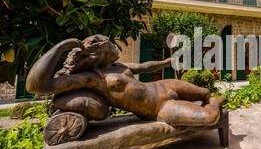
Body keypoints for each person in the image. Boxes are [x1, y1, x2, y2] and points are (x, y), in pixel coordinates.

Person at [26, 35, 226, 128]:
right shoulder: (92, 78)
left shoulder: (118, 66)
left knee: (204, 92)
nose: (114, 48)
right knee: (209, 117)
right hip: (158, 107)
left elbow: (146, 66)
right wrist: (61, 46)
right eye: (110, 45)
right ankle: (216, 103)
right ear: (101, 51)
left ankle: (210, 98)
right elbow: (36, 86)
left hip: (163, 85)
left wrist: (167, 61)